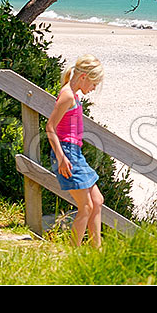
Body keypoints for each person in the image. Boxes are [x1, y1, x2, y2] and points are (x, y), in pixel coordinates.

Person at [46, 54, 106, 249]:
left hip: (74, 153)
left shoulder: (74, 95)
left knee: (97, 200)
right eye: (94, 82)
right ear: (83, 77)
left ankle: (97, 251)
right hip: (66, 153)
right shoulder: (68, 96)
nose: (94, 87)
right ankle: (74, 252)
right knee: (86, 207)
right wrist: (62, 157)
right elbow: (50, 128)